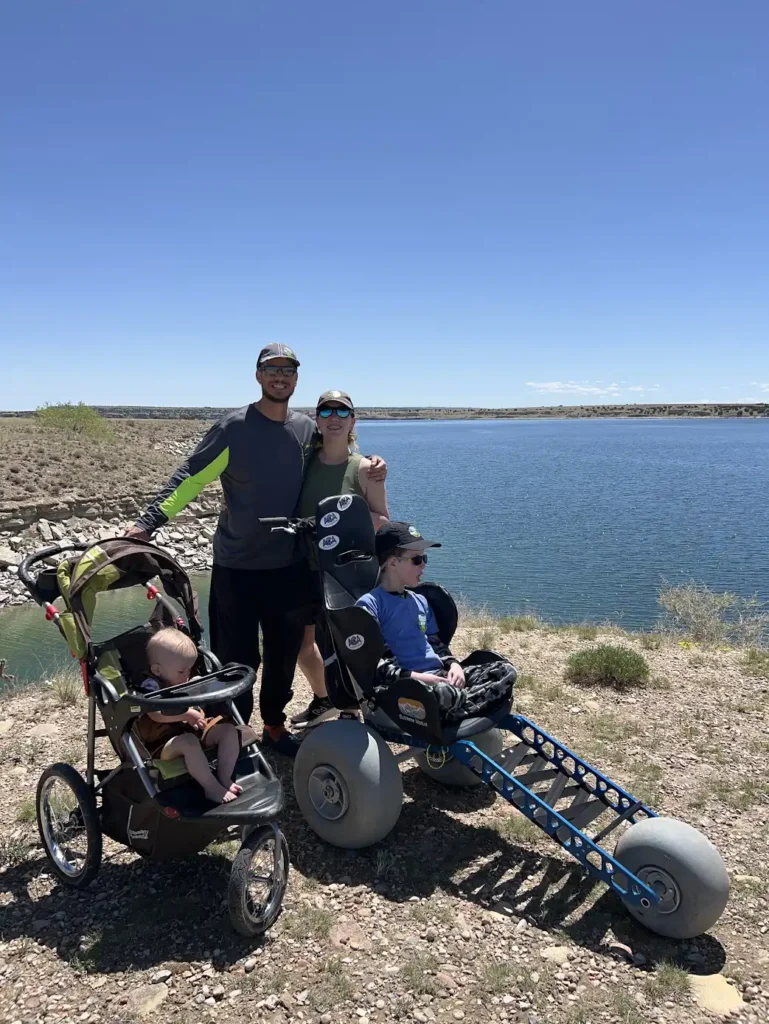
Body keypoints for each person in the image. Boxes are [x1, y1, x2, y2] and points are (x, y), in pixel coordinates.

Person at [125, 344, 386, 758]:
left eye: (288, 370)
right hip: (238, 567)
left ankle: (275, 728)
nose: (280, 377)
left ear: (296, 378)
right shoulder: (234, 428)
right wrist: (148, 523)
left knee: (284, 656)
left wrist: (373, 464)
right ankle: (232, 732)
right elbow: (190, 479)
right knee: (237, 659)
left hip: (290, 566)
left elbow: (339, 455)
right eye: (272, 369)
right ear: (258, 375)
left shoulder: (305, 430)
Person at [290, 389, 389, 727]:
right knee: (305, 647)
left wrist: (337, 525)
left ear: (353, 421)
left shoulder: (364, 469)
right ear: (317, 420)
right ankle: (324, 699)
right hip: (304, 569)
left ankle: (356, 708)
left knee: (349, 644)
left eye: (342, 412)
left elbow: (383, 520)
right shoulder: (304, 463)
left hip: (347, 575)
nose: (334, 418)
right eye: (326, 411)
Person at [136, 628, 258, 804]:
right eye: (181, 672)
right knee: (189, 742)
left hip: (192, 729)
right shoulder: (150, 686)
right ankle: (211, 787)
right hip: (163, 742)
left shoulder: (183, 678)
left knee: (228, 730)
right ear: (157, 670)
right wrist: (186, 714)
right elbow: (155, 714)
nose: (186, 675)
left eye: (189, 670)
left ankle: (224, 777)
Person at [354, 521, 466, 689]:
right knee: (445, 692)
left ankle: (460, 700)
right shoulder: (370, 605)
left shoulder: (420, 601)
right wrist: (417, 678)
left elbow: (436, 644)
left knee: (504, 670)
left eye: (424, 558)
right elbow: (374, 663)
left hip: (437, 675)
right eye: (417, 560)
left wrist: (454, 665)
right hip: (407, 684)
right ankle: (463, 702)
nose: (423, 565)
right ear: (392, 563)